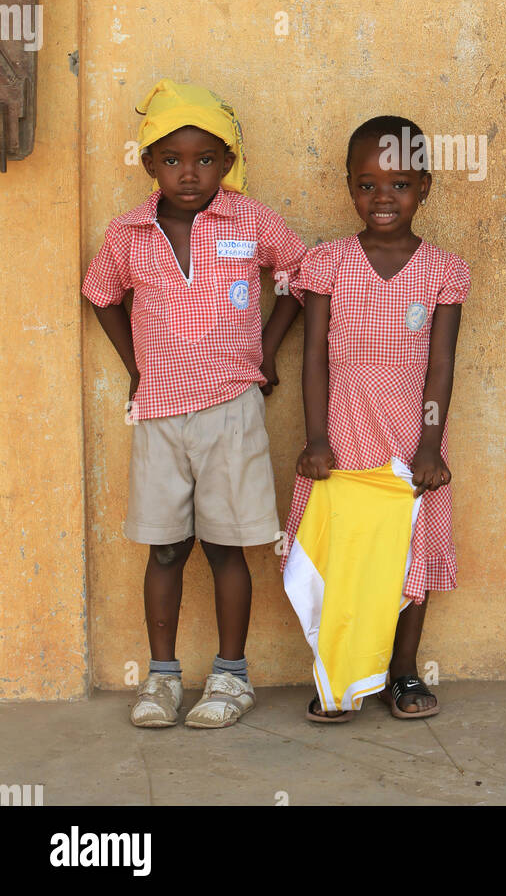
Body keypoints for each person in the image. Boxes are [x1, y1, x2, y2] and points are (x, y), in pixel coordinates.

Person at [82, 79, 306, 729]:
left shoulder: (251, 220)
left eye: (205, 159)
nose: (188, 174)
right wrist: (137, 368)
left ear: (227, 164)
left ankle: (231, 678)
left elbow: (296, 276)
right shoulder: (128, 234)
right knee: (165, 548)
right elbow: (101, 296)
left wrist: (265, 354)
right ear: (149, 164)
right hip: (159, 413)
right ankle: (162, 678)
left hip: (233, 408)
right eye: (172, 159)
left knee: (226, 547)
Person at [280, 115, 470, 721]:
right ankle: (338, 672)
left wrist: (431, 446)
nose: (382, 198)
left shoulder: (444, 269)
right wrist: (315, 439)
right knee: (344, 557)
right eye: (367, 185)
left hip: (411, 444)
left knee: (409, 556)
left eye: (400, 185)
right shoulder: (327, 262)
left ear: (426, 188)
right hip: (342, 439)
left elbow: (440, 365)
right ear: (349, 187)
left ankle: (403, 673)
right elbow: (312, 358)